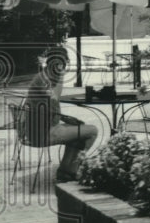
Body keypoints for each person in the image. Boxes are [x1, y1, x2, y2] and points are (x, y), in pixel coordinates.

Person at [21, 47, 99, 182]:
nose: (60, 67)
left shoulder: (42, 76)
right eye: (58, 64)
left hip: (34, 130)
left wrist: (66, 118)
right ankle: (72, 172)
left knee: (79, 131)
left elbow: (49, 109)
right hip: (42, 134)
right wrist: (61, 76)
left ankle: (65, 171)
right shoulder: (46, 80)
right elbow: (54, 98)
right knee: (92, 131)